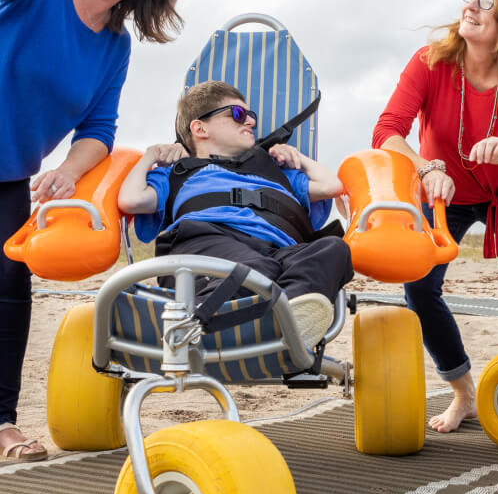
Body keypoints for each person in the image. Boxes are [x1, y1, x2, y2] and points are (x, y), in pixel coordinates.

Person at [0, 0, 183, 461]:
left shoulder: (114, 46)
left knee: (7, 289)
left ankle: (2, 424)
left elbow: (98, 130)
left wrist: (67, 174)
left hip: (11, 174)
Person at [372, 0, 498, 433]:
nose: (470, 6)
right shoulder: (431, 62)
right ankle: (463, 392)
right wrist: (428, 168)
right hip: (441, 194)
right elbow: (388, 131)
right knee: (419, 288)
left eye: (485, 2)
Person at [118, 81, 353, 347]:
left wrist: (297, 156)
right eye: (238, 115)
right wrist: (150, 157)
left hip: (279, 252)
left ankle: (289, 319)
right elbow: (132, 200)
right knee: (254, 269)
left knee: (333, 249)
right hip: (208, 240)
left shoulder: (277, 172)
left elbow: (331, 186)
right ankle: (198, 321)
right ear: (200, 128)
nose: (250, 123)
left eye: (251, 116)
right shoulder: (177, 173)